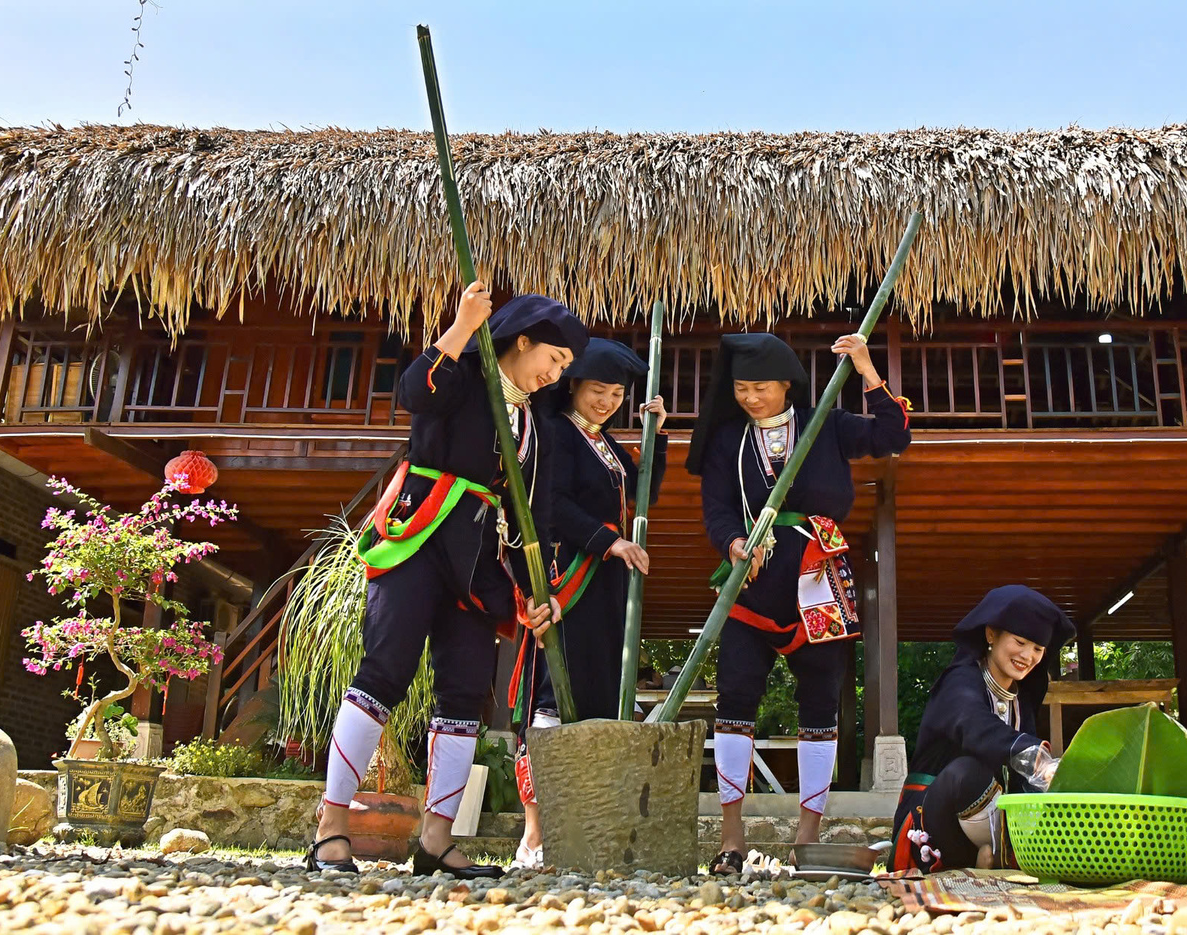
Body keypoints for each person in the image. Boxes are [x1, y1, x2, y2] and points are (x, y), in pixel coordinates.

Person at [306, 283, 586, 879]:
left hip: (480, 560)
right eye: (554, 360)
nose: (556, 376)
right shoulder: (462, 376)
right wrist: (461, 326)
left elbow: (538, 514)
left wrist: (544, 592)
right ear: (523, 340)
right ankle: (331, 828)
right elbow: (415, 393)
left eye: (565, 368)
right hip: (420, 534)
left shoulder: (539, 426)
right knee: (384, 671)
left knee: (463, 692)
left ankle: (437, 839)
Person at [689, 331, 911, 875]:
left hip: (819, 575)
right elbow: (716, 507)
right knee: (736, 697)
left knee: (820, 702)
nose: (749, 397)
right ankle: (732, 837)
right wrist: (732, 543)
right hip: (754, 576)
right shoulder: (726, 441)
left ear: (787, 384)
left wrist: (865, 367)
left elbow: (892, 436)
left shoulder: (826, 424)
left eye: (760, 387)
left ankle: (807, 838)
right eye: (741, 388)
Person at [509, 336, 668, 869]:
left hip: (607, 590)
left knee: (599, 701)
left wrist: (657, 436)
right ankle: (534, 834)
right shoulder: (554, 433)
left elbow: (643, 492)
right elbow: (548, 504)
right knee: (553, 699)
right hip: (566, 580)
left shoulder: (609, 446)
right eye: (597, 390)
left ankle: (585, 830)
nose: (605, 402)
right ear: (572, 385)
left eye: (617, 394)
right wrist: (609, 540)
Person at [890, 586, 1073, 873]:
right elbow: (973, 725)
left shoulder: (1022, 698)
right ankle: (990, 858)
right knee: (967, 772)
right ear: (991, 634)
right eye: (1021, 641)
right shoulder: (960, 681)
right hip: (934, 818)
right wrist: (1034, 757)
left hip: (996, 820)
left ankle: (999, 857)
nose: (1028, 655)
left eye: (1038, 649)